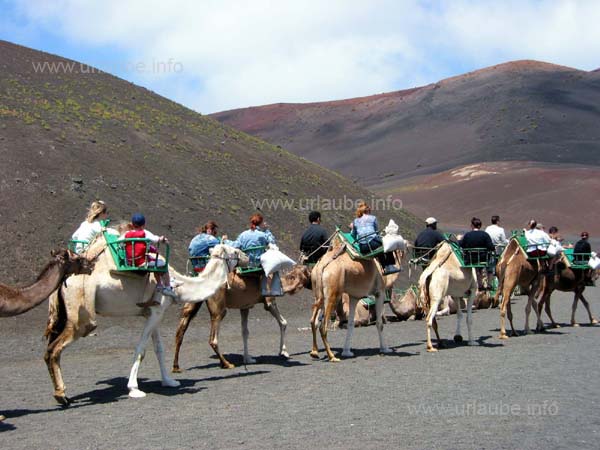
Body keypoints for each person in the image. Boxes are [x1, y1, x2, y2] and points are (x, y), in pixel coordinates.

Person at [125, 213, 176, 302]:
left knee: (154, 262)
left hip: (131, 261)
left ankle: (159, 285)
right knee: (162, 265)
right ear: (144, 225)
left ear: (132, 225)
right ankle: (167, 287)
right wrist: (162, 239)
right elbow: (156, 239)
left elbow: (119, 241)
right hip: (142, 262)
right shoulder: (144, 233)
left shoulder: (127, 234)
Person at [350, 202, 398, 274]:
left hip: (363, 248)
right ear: (368, 211)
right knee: (387, 244)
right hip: (372, 242)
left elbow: (353, 235)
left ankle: (385, 267)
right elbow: (376, 232)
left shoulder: (355, 221)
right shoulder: (373, 218)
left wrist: (353, 228)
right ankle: (390, 266)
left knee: (378, 250)